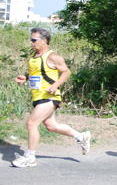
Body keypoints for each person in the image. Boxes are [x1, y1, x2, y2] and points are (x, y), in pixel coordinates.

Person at [12, 28, 91, 168]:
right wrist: (25, 78)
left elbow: (66, 72)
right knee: (51, 126)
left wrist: (55, 86)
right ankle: (81, 136)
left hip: (49, 96)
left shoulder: (53, 57)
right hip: (37, 96)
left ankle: (30, 157)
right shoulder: (33, 56)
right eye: (31, 40)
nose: (31, 43)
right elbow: (38, 74)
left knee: (31, 124)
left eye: (34, 40)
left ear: (44, 41)